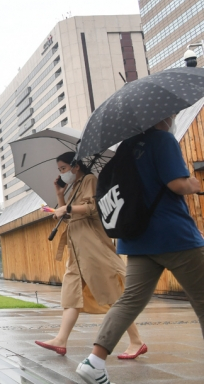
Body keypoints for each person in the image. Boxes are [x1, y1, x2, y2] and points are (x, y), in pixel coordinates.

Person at [76, 115, 204, 384]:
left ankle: (94, 362)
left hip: (136, 238)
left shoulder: (127, 147)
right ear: (163, 116)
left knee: (130, 300)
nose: (173, 117)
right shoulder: (163, 140)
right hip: (174, 235)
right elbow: (177, 184)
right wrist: (194, 184)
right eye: (171, 114)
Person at [35, 152, 145, 359]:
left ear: (75, 166)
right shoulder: (74, 187)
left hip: (93, 249)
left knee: (112, 294)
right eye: (60, 170)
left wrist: (66, 207)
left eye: (63, 169)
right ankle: (60, 340)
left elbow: (94, 208)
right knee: (70, 296)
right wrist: (60, 196)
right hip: (76, 252)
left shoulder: (90, 180)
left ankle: (137, 341)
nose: (61, 174)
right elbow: (70, 217)